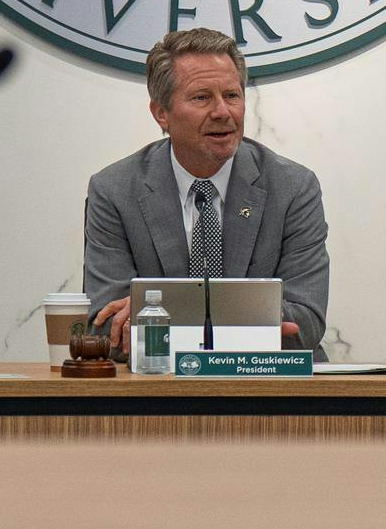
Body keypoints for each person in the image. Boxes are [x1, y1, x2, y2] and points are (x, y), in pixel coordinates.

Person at [83, 28, 329, 354]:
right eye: (201, 97)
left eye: (232, 95)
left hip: (267, 386)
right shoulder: (114, 190)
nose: (222, 112)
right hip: (157, 388)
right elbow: (103, 326)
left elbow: (306, 324)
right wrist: (246, 317)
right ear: (161, 113)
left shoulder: (293, 188)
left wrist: (164, 314)